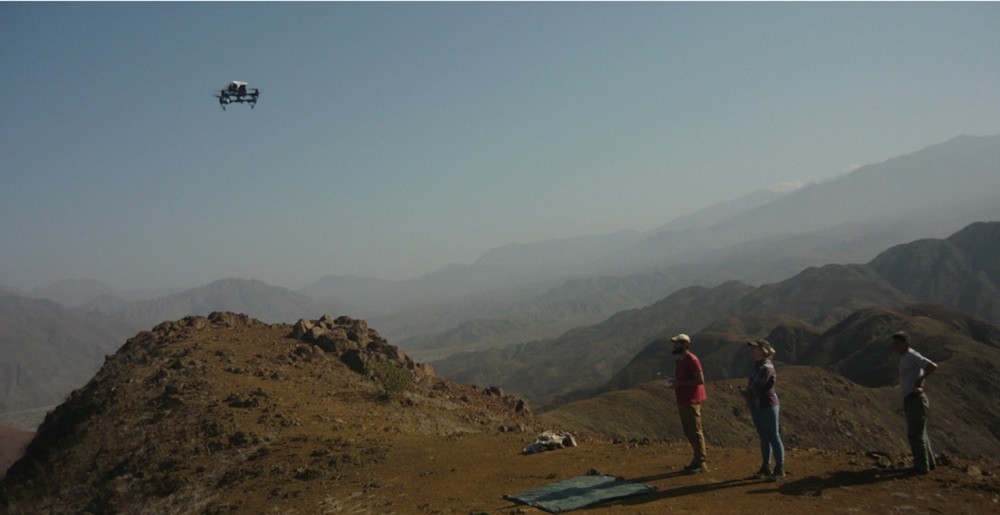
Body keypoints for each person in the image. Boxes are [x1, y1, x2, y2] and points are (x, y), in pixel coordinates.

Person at [891, 331, 938, 475]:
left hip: (915, 399)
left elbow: (932, 365)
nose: (895, 346)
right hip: (910, 398)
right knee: (920, 433)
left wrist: (920, 379)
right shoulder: (905, 357)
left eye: (898, 343)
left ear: (906, 343)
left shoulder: (912, 355)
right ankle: (928, 463)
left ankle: (921, 466)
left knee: (915, 434)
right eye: (894, 344)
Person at [743, 339, 785, 482]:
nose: (752, 350)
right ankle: (767, 466)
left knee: (772, 435)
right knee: (765, 435)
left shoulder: (765, 367)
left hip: (766, 404)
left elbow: (754, 388)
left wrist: (746, 392)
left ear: (762, 349)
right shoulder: (760, 365)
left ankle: (779, 468)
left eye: (754, 348)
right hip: (759, 404)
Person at [668, 333, 708, 473]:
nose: (674, 346)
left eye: (677, 343)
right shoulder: (680, 360)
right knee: (689, 431)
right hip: (683, 398)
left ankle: (701, 461)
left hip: (692, 399)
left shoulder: (692, 359)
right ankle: (697, 458)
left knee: (695, 430)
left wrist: (681, 383)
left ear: (685, 345)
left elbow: (700, 380)